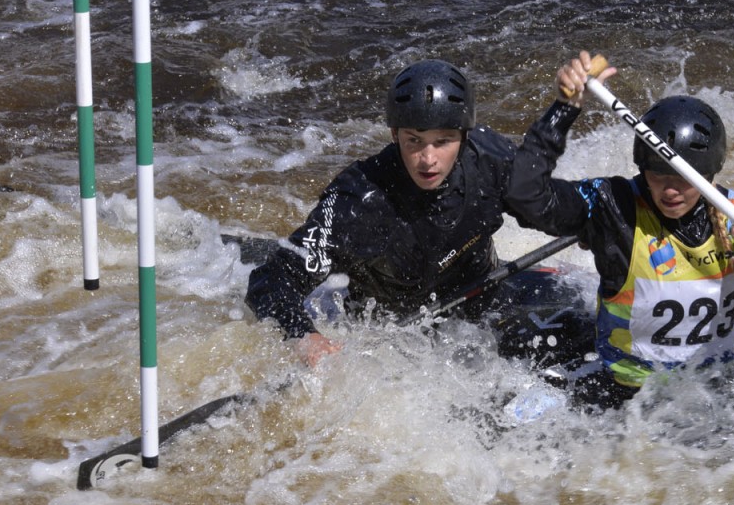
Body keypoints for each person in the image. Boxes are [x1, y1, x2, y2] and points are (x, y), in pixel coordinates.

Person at [506, 51, 734, 409]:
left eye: (684, 178)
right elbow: (524, 195)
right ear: (642, 167)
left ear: (709, 173)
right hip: (628, 392)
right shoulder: (612, 207)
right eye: (659, 175)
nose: (670, 191)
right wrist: (564, 108)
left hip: (716, 388)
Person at [244, 58, 584, 365]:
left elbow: (547, 203)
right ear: (394, 134)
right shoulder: (358, 200)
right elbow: (270, 282)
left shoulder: (490, 160)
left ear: (464, 135)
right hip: (400, 341)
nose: (428, 159)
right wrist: (305, 337)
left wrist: (566, 109)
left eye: (443, 141)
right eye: (414, 141)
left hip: (486, 304)